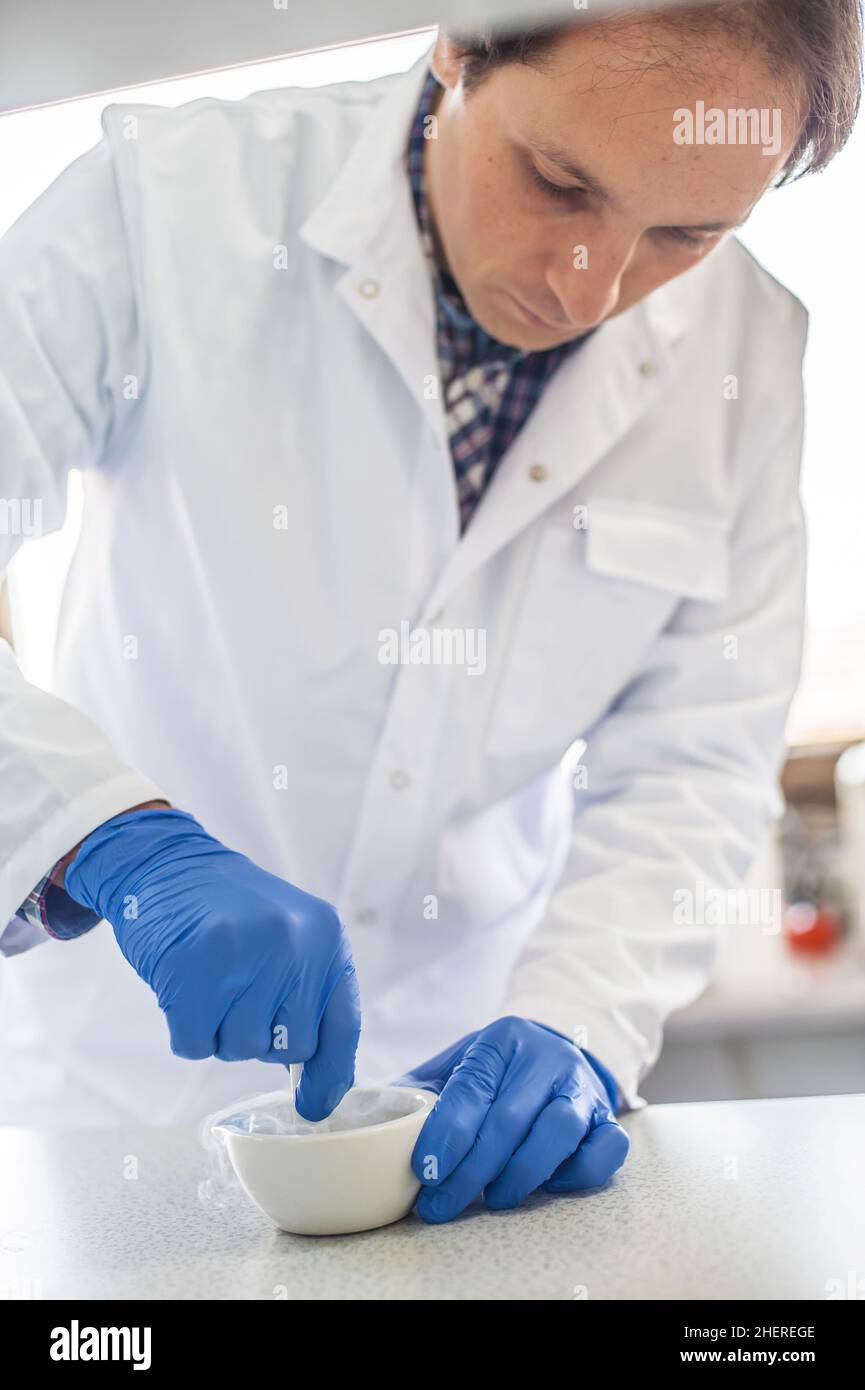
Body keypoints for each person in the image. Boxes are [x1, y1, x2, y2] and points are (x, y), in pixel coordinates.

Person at [0, 2, 861, 1223]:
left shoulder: (749, 350)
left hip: (457, 1110)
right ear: (460, 42)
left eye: (686, 232)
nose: (591, 287)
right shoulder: (168, 201)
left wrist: (579, 1022)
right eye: (558, 181)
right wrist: (102, 834)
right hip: (118, 1090)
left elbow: (694, 760)